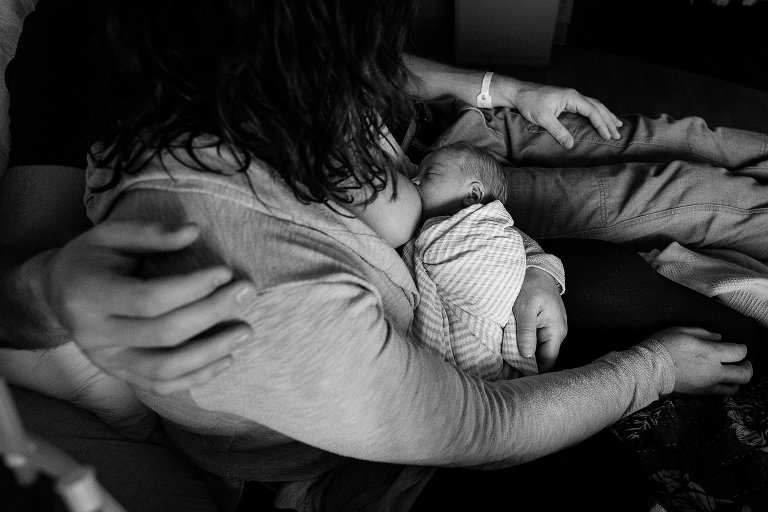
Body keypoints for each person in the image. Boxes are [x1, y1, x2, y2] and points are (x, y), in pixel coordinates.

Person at [0, 0, 764, 510]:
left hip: (421, 265)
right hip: (389, 416)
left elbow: (345, 66)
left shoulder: (244, 77)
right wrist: (653, 370)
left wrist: (499, 98)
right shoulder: (260, 285)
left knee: (663, 198)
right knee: (675, 327)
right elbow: (484, 429)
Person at [378, 142, 563, 379]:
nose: (413, 180)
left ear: (472, 195)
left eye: (429, 174)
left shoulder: (482, 234)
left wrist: (540, 270)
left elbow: (499, 260)